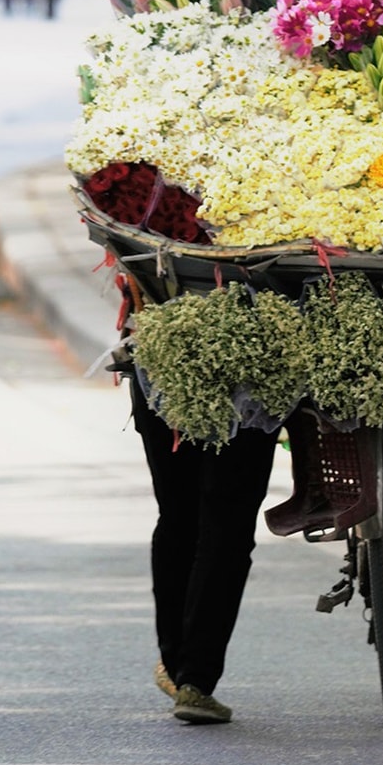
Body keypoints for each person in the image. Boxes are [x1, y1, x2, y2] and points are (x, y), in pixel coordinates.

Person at [127, 287, 280, 725]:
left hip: (161, 358)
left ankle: (180, 669)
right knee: (226, 524)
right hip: (250, 359)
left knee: (178, 516)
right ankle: (194, 679)